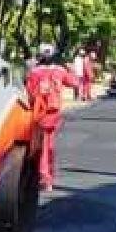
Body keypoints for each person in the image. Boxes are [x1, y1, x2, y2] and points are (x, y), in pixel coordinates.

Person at [25, 44, 80, 191]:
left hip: (37, 113)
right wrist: (71, 69)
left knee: (37, 147)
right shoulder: (59, 71)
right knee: (48, 147)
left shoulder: (34, 72)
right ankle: (46, 178)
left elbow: (28, 92)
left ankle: (41, 177)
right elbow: (75, 83)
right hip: (53, 114)